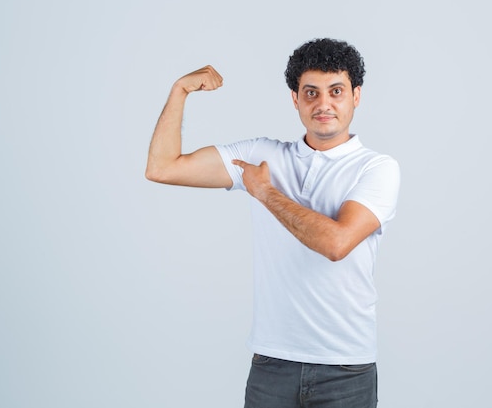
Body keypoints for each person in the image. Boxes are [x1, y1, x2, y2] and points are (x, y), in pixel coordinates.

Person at [146, 38, 400, 408]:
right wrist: (179, 90)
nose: (323, 104)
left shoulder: (377, 168)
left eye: (336, 91)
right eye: (310, 92)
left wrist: (265, 193)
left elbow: (336, 244)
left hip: (345, 368)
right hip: (271, 364)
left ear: (355, 96)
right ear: (295, 99)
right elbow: (162, 167)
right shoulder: (262, 155)